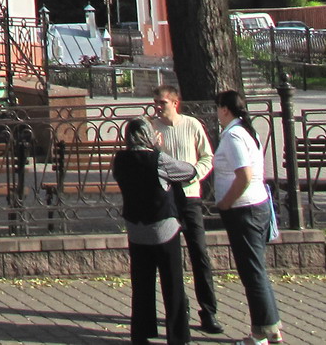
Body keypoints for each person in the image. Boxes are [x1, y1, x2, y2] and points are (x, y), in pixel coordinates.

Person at [114, 115, 197, 345]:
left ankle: (141, 333)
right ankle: (178, 336)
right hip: (163, 228)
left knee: (141, 284)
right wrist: (159, 148)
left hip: (135, 228)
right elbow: (189, 172)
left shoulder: (120, 160)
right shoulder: (158, 160)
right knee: (172, 284)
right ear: (149, 136)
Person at [211, 90, 280, 345]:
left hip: (245, 209)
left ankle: (263, 333)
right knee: (255, 271)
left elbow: (245, 175)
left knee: (253, 273)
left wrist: (226, 203)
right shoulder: (245, 131)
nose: (217, 113)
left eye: (218, 108)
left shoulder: (235, 136)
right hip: (253, 206)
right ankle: (268, 329)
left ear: (225, 109)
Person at [153, 86, 223, 334]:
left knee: (199, 253)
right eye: (156, 103)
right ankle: (179, 309)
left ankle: (209, 312)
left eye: (162, 103)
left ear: (175, 103)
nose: (158, 107)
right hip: (166, 198)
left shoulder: (192, 125)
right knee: (170, 257)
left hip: (190, 196)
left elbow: (207, 157)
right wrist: (155, 149)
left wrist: (195, 175)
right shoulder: (152, 129)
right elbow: (148, 162)